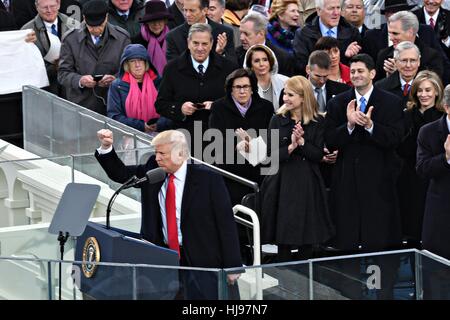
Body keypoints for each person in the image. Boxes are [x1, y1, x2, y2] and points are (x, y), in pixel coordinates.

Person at [95, 129, 242, 299]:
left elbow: (226, 225)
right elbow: (121, 174)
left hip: (202, 260)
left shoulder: (208, 180)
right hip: (163, 258)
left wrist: (233, 266)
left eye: (162, 153)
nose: (157, 158)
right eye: (156, 152)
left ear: (180, 154)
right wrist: (106, 148)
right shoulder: (153, 169)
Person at [324, 53, 404, 253]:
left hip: (379, 181)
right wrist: (349, 125)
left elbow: (395, 138)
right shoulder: (337, 103)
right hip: (347, 182)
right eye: (353, 72)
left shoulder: (391, 102)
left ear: (373, 73)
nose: (356, 75)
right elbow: (331, 140)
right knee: (347, 243)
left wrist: (370, 126)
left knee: (377, 242)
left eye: (360, 71)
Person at [260, 75, 335, 262]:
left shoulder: (317, 121)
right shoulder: (277, 119)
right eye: (285, 93)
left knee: (308, 236)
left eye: (291, 95)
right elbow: (270, 155)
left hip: (308, 181)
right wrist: (291, 147)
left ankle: (306, 280)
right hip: (282, 180)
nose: (285, 98)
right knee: (283, 236)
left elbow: (318, 154)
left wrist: (301, 142)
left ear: (303, 97)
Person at [209, 68, 273, 264]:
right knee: (234, 218)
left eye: (246, 87)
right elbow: (214, 142)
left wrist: (250, 143)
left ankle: (258, 255)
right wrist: (238, 146)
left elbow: (270, 139)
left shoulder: (266, 107)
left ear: (253, 89)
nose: (242, 91)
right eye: (238, 87)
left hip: (258, 173)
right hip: (231, 173)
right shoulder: (219, 107)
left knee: (258, 217)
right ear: (231, 90)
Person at [155, 23, 238, 155]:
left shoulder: (229, 69)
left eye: (204, 44)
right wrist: (180, 109)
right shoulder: (172, 69)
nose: (200, 48)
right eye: (196, 43)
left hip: (219, 142)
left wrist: (217, 106)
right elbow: (160, 104)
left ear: (212, 44)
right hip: (184, 142)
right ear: (188, 43)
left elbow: (238, 104)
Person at [397, 70, 444, 248]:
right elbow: (401, 148)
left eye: (428, 90)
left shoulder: (442, 118)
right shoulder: (407, 115)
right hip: (410, 177)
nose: (423, 94)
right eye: (420, 90)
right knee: (412, 226)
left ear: (437, 92)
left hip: (435, 177)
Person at [58, 0, 131, 115]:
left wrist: (115, 79)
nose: (96, 30)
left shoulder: (122, 38)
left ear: (107, 17)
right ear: (84, 18)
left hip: (114, 105)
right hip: (82, 105)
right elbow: (63, 73)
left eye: (100, 26)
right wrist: (80, 80)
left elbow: (129, 71)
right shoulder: (70, 39)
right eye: (91, 26)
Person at [416, 83, 450, 260]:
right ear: (446, 107)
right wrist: (446, 158)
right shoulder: (428, 132)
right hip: (441, 217)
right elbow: (422, 169)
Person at [21, 0, 80, 96]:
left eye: (52, 6)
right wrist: (53, 67)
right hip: (45, 90)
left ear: (59, 5)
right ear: (37, 7)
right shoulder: (27, 31)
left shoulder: (75, 25)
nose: (49, 10)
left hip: (71, 87)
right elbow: (26, 65)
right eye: (45, 7)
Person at [107, 44, 168, 133]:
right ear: (126, 64)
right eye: (132, 61)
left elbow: (171, 110)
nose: (137, 65)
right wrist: (141, 126)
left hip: (160, 134)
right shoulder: (117, 86)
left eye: (140, 60)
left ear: (146, 62)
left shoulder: (159, 82)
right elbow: (114, 116)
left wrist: (159, 124)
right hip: (130, 136)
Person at [293, 0, 361, 76]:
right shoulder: (303, 34)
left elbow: (360, 67)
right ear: (318, 10)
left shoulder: (352, 32)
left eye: (338, 8)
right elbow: (300, 67)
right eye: (331, 8)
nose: (336, 13)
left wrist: (347, 57)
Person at [376, 11, 444, 81]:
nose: (391, 38)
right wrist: (389, 78)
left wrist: (399, 74)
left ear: (410, 32)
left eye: (395, 33)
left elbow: (432, 87)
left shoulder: (431, 57)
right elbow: (376, 87)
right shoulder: (383, 55)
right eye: (390, 33)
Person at [165, 0, 236, 63]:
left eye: (192, 10)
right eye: (185, 10)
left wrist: (220, 54)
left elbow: (232, 66)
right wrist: (215, 54)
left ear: (205, 10)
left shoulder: (225, 32)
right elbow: (174, 70)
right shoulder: (173, 36)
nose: (187, 14)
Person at [237, 12, 294, 76]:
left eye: (246, 34)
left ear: (261, 34)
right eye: (241, 33)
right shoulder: (236, 54)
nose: (241, 38)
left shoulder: (283, 58)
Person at [375, 41, 421, 107]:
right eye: (404, 60)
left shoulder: (427, 87)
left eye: (413, 60)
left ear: (419, 62)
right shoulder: (381, 87)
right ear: (395, 62)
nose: (408, 65)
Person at [243, 44, 288, 111]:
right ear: (251, 66)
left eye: (265, 60)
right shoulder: (246, 85)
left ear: (270, 62)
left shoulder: (285, 81)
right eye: (257, 61)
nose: (261, 64)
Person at [136, 0, 173, 76]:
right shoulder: (136, 41)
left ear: (165, 21)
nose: (156, 24)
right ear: (147, 22)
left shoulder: (173, 38)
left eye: (159, 20)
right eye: (152, 20)